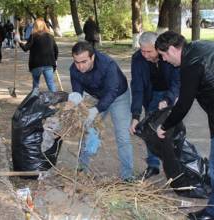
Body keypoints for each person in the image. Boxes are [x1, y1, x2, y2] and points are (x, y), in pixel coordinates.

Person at [155, 31, 214, 220]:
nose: (164, 60)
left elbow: (183, 105)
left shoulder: (190, 63)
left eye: (164, 55)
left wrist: (164, 126)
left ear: (173, 49)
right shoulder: (201, 46)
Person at [69, 41, 133, 181]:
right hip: (96, 97)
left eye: (84, 62)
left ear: (93, 57)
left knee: (123, 136)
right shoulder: (74, 69)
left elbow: (111, 91)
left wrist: (96, 110)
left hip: (118, 96)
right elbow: (78, 91)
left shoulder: (107, 65)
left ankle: (127, 176)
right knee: (88, 131)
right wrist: (77, 100)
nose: (80, 66)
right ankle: (81, 170)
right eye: (76, 62)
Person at [129, 32, 180, 180]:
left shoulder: (168, 54)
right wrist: (136, 115)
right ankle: (153, 166)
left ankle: (177, 166)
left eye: (149, 51)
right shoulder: (138, 59)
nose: (145, 55)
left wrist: (169, 99)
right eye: (142, 50)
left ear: (157, 47)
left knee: (173, 129)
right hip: (151, 96)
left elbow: (177, 81)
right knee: (150, 131)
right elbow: (137, 87)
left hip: (172, 93)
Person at [17, 18, 58, 92]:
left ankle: (34, 99)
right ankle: (55, 101)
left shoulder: (33, 36)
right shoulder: (50, 36)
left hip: (36, 65)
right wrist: (55, 60)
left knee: (36, 84)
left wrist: (19, 41)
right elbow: (56, 50)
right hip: (49, 63)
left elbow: (26, 48)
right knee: (51, 84)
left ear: (35, 26)